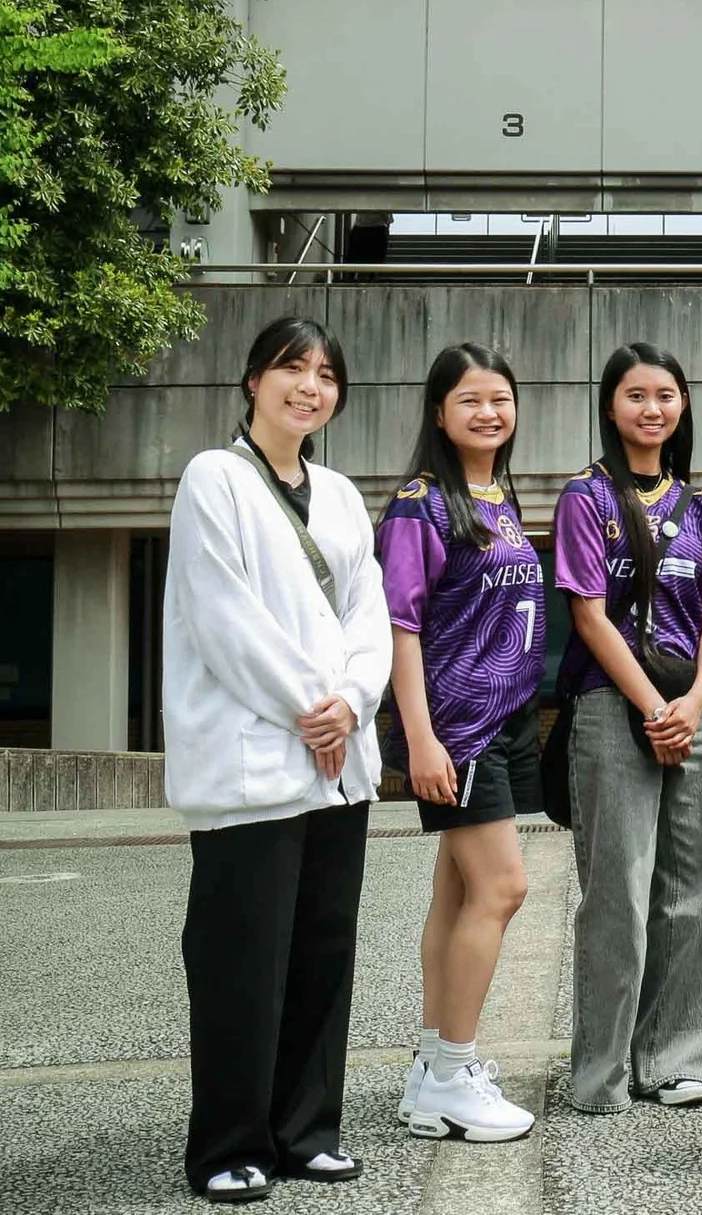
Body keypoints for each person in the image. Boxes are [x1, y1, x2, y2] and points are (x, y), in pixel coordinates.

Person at [164, 316, 392, 1201]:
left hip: (336, 765)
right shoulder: (213, 479)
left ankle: (306, 1131)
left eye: (326, 374)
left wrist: (354, 702)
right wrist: (312, 708)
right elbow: (224, 618)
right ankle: (228, 1144)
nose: (310, 386)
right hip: (254, 765)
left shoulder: (340, 494)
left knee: (322, 954)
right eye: (293, 367)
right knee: (241, 964)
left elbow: (369, 613)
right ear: (254, 380)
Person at [552, 343, 702, 1112]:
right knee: (619, 893)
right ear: (610, 405)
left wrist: (693, 701)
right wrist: (653, 706)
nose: (652, 408)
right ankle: (602, 1071)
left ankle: (681, 1055)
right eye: (636, 394)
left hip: (697, 706)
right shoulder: (585, 496)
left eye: (665, 394)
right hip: (611, 702)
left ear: (682, 404)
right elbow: (588, 615)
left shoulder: (701, 507)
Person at [379, 345, 541, 1144]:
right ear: (439, 413)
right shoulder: (421, 503)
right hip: (457, 725)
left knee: (456, 894)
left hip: (501, 719)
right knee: (503, 887)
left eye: (500, 398)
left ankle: (432, 1063)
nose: (488, 412)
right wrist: (421, 738)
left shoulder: (497, 495)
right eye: (470, 399)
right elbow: (400, 624)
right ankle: (453, 1074)